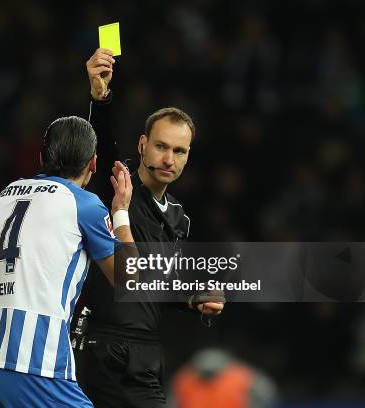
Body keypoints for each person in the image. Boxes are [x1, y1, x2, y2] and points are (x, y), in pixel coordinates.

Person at [74, 49, 225, 408]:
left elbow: (155, 285)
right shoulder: (118, 182)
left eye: (179, 150)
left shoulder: (179, 219)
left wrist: (193, 300)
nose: (168, 159)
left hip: (146, 351)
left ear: (188, 156)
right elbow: (102, 138)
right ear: (143, 145)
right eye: (160, 146)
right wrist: (101, 98)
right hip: (103, 345)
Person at [0, 116, 135, 407]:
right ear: (93, 163)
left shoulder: (4, 195)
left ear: (42, 157)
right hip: (39, 365)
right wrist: (121, 212)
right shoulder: (84, 204)